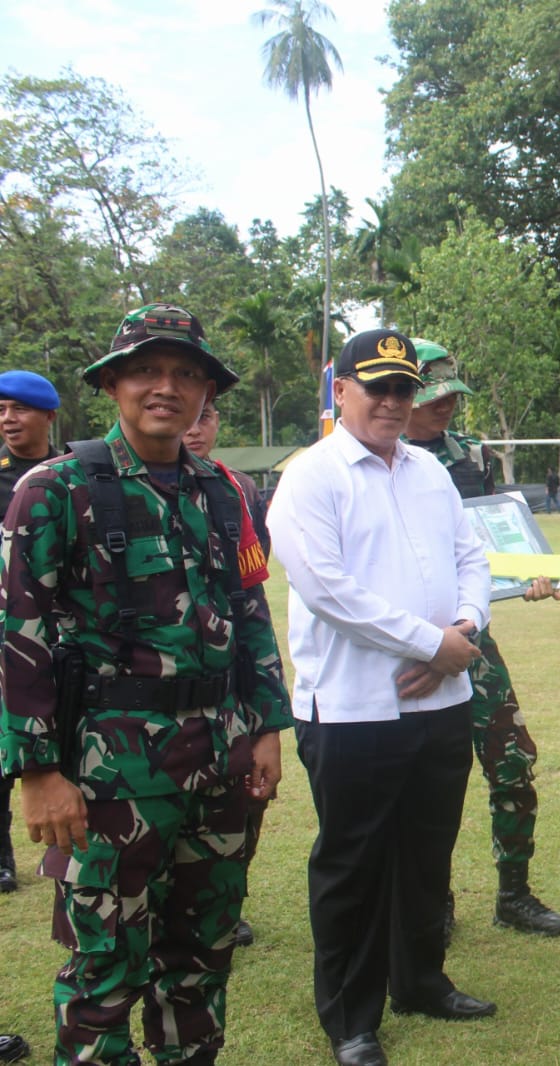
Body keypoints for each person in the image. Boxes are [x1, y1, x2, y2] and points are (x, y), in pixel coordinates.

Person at [0, 304, 290, 1064]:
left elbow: (248, 611)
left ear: (204, 393)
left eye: (186, 374)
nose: (167, 387)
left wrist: (265, 728)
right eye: (147, 371)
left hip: (219, 759)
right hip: (107, 774)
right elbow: (16, 633)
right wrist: (36, 772)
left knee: (201, 959)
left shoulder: (224, 491)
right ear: (114, 384)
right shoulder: (56, 489)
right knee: (102, 971)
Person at [268, 329, 495, 1066]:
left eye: (403, 388)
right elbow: (328, 590)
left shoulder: (428, 469)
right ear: (340, 392)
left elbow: (470, 556)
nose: (394, 402)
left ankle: (420, 980)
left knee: (427, 855)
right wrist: (432, 645)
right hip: (354, 709)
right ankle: (351, 1016)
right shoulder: (312, 475)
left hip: (440, 703)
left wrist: (464, 626)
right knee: (353, 866)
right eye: (378, 388)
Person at [404, 339, 560, 937]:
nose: (445, 404)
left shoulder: (468, 457)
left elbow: (493, 544)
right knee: (426, 783)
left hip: (474, 638)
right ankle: (432, 902)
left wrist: (526, 577)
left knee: (512, 762)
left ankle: (514, 894)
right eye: (433, 394)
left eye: (451, 393)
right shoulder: (375, 460)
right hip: (407, 647)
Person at [182, 400, 273, 949]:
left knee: (238, 803)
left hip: (227, 687)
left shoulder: (234, 489)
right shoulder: (69, 483)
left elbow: (248, 596)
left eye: (206, 416)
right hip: (124, 715)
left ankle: (225, 901)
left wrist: (267, 718)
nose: (194, 428)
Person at [0, 369, 61, 898]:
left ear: (48, 415)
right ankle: (2, 858)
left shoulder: (73, 474)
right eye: (1, 410)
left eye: (18, 409)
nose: (8, 419)